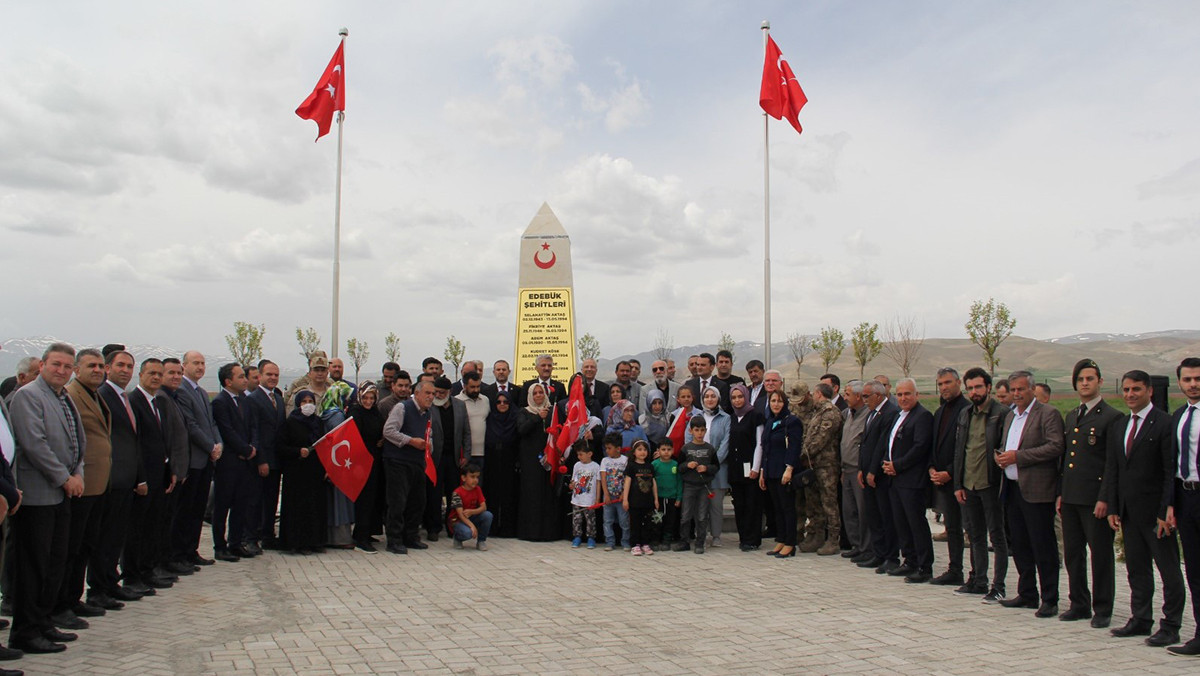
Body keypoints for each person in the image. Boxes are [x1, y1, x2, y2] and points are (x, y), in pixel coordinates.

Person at [7, 342, 85, 655]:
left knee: (55, 562)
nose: (62, 371)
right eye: (56, 365)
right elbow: (34, 444)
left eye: (67, 366)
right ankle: (25, 632)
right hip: (39, 496)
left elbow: (78, 442)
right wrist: (64, 478)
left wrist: (78, 473)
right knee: (33, 567)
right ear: (42, 364)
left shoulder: (64, 397)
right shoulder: (28, 396)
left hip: (63, 494)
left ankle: (42, 622)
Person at [1104, 370, 1185, 647]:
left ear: (1149, 391)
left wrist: (1166, 511)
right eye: (1126, 390)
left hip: (1156, 513)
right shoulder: (1121, 425)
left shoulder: (1164, 423)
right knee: (1137, 569)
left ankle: (1171, 625)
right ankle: (1140, 619)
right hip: (1128, 511)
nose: (1130, 395)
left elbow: (1168, 471)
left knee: (1169, 570)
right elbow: (1114, 468)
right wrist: (1114, 505)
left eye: (1136, 389)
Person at [995, 370, 1065, 618]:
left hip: (1037, 491)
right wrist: (1003, 456)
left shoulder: (1048, 413)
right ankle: (1027, 593)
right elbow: (1009, 446)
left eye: (1021, 389)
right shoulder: (1010, 416)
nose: (1016, 394)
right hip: (1012, 488)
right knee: (1021, 544)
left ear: (1032, 390)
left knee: (1042, 546)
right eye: (1013, 390)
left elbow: (1055, 446)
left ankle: (1050, 598)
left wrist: (1019, 457)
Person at [1059, 359, 1122, 627]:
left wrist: (1105, 498)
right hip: (1072, 496)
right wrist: (1061, 493)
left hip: (1095, 499)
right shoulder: (1072, 415)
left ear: (1100, 382)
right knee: (1073, 553)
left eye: (1090, 379)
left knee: (1101, 555)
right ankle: (1079, 603)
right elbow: (1066, 460)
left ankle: (1103, 608)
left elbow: (1112, 463)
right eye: (1081, 379)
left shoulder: (1112, 417)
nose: (1085, 383)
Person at [60, 349, 116, 617]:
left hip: (98, 483)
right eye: (91, 365)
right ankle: (62, 603)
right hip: (82, 482)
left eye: (100, 365)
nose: (97, 370)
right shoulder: (72, 395)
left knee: (86, 545)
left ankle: (73, 599)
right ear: (76, 369)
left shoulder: (94, 395)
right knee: (72, 548)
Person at [952, 368, 1010, 603]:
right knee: (975, 535)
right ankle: (978, 580)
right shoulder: (966, 414)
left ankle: (998, 585)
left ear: (988, 387)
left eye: (978, 387)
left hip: (991, 483)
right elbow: (960, 451)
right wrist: (958, 483)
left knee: (997, 536)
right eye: (970, 388)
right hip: (969, 483)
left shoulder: (1002, 414)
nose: (974, 392)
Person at [169, 350, 220, 570]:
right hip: (193, 459)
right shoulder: (181, 390)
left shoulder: (200, 391)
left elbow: (211, 423)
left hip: (207, 458)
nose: (200, 367)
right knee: (185, 510)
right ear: (184, 365)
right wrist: (210, 446)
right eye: (195, 363)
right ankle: (178, 553)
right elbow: (190, 425)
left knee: (198, 510)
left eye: (202, 363)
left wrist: (218, 445)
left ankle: (191, 550)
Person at [881, 378, 935, 583]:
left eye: (907, 394)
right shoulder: (899, 416)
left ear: (916, 395)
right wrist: (887, 462)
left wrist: (898, 465)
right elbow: (892, 442)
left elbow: (920, 448)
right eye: (900, 394)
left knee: (916, 524)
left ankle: (924, 566)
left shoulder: (922, 416)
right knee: (901, 523)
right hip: (895, 479)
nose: (903, 398)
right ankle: (910, 561)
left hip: (912, 480)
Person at [381, 379, 437, 554]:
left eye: (433, 394)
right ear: (417, 393)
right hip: (397, 461)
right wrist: (410, 441)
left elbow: (429, 435)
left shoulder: (428, 413)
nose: (431, 397)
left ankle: (411, 536)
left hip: (418, 462)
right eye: (427, 393)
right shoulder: (402, 408)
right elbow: (388, 431)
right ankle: (394, 540)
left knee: (417, 501)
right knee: (397, 502)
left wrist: (429, 446)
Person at [1168, 357, 1200, 656]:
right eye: (1188, 379)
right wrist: (1171, 504)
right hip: (1186, 498)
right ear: (1179, 382)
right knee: (1194, 568)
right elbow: (1172, 465)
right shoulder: (1178, 416)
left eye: (1198, 379)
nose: (1193, 384)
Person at [928, 368, 972, 585]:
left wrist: (950, 472)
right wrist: (932, 468)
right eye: (940, 384)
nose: (944, 387)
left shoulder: (967, 410)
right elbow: (934, 444)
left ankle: (977, 575)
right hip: (942, 478)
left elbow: (965, 449)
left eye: (947, 382)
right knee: (952, 527)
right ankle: (955, 569)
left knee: (971, 529)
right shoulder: (940, 412)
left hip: (962, 480)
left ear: (959, 382)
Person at [856, 380, 901, 573]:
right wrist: (861, 469)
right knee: (873, 515)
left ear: (878, 395)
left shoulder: (889, 413)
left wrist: (873, 470)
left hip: (880, 476)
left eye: (867, 396)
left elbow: (882, 445)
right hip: (866, 473)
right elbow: (864, 444)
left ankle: (890, 556)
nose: (863, 400)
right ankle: (878, 553)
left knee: (885, 516)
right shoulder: (871, 413)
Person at [277, 391, 328, 554]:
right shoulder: (290, 423)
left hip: (315, 472)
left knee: (315, 507)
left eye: (310, 401)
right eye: (304, 401)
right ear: (298, 404)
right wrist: (298, 451)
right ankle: (298, 543)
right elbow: (281, 447)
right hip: (296, 472)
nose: (308, 404)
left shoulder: (318, 422)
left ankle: (315, 541)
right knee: (298, 508)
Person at [798, 383, 843, 556]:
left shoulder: (831, 412)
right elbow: (807, 434)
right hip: (812, 465)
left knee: (829, 502)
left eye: (814, 393)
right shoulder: (816, 412)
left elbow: (820, 439)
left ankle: (833, 539)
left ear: (819, 393)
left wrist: (803, 454)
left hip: (826, 465)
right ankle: (815, 535)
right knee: (813, 501)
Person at [515, 383, 560, 542]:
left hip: (548, 458)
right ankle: (531, 532)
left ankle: (548, 532)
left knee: (547, 493)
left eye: (541, 392)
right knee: (532, 494)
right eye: (535, 393)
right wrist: (537, 418)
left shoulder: (552, 412)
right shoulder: (525, 411)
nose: (539, 395)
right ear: (530, 396)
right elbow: (521, 430)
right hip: (530, 460)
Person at [759, 391, 801, 558]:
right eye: (773, 401)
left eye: (779, 401)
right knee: (777, 508)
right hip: (771, 471)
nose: (776, 404)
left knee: (787, 508)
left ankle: (791, 543)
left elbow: (794, 447)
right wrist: (763, 470)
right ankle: (781, 539)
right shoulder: (771, 421)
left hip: (784, 471)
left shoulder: (792, 421)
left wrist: (789, 468)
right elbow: (765, 448)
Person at [430, 376, 471, 541]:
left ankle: (451, 526)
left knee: (453, 493)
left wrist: (466, 455)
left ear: (449, 392)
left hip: (454, 458)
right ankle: (433, 528)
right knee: (434, 494)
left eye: (442, 392)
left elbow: (467, 432)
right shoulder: (430, 406)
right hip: (435, 458)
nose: (438, 395)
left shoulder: (460, 406)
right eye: (436, 392)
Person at [727, 384, 765, 552]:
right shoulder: (732, 417)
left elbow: (759, 443)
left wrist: (756, 467)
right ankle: (743, 538)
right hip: (735, 468)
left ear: (746, 397)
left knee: (752, 504)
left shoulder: (755, 416)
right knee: (740, 504)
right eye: (734, 397)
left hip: (750, 469)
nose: (737, 400)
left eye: (740, 397)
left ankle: (753, 539)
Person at [349, 383, 385, 553]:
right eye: (365, 398)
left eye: (372, 398)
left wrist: (381, 440)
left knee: (373, 498)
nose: (368, 401)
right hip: (361, 461)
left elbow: (380, 430)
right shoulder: (355, 412)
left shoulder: (376, 412)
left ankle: (367, 531)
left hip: (375, 458)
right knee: (364, 499)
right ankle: (360, 538)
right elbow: (354, 436)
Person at [840, 381, 872, 562]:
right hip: (846, 469)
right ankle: (856, 545)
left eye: (848, 394)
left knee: (863, 511)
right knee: (849, 510)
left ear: (858, 396)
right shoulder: (847, 415)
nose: (845, 397)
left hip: (859, 471)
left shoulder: (867, 416)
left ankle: (867, 548)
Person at [679, 417, 719, 555]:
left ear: (705, 430)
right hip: (689, 486)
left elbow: (716, 466)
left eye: (702, 430)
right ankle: (684, 541)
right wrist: (687, 465)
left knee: (702, 515)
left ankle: (700, 542)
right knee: (685, 515)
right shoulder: (685, 448)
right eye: (696, 430)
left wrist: (706, 468)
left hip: (704, 487)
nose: (699, 433)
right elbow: (679, 467)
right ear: (691, 431)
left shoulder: (710, 449)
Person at [482, 391, 519, 537]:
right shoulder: (490, 419)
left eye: (505, 402)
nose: (502, 404)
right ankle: (491, 527)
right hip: (492, 460)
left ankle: (507, 528)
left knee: (508, 495)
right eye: (499, 402)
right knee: (492, 494)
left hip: (509, 461)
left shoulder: (514, 418)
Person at [698, 386, 731, 548]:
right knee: (701, 504)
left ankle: (716, 535)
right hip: (698, 469)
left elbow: (726, 443)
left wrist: (712, 464)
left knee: (716, 504)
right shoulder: (696, 416)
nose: (709, 399)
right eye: (706, 396)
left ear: (718, 398)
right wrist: (699, 463)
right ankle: (702, 535)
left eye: (713, 396)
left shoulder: (725, 418)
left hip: (718, 469)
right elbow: (689, 439)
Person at [622, 440, 659, 556]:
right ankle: (635, 545)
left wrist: (656, 499)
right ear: (634, 452)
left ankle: (645, 544)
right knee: (635, 524)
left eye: (645, 449)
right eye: (639, 449)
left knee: (647, 524)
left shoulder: (650, 466)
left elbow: (653, 483)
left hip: (647, 501)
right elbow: (627, 482)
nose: (642, 452)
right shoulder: (631, 466)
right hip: (634, 502)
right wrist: (625, 499)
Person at [448, 463, 491, 550]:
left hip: (471, 517)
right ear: (463, 478)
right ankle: (457, 538)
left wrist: (472, 512)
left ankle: (481, 541)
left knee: (488, 515)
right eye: (472, 477)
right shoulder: (457, 493)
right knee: (467, 533)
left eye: (477, 477)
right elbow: (460, 515)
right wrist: (472, 526)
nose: (475, 480)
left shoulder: (477, 489)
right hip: (458, 521)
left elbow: (484, 507)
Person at [600, 433, 630, 552]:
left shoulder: (625, 460)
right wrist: (606, 494)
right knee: (608, 520)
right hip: (609, 496)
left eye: (609, 448)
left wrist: (624, 493)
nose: (607, 451)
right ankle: (610, 541)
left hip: (621, 497)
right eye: (606, 448)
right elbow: (603, 478)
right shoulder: (604, 461)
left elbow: (627, 478)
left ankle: (625, 542)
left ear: (618, 449)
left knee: (624, 521)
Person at [568, 442, 601, 549]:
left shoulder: (596, 466)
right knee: (576, 519)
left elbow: (598, 483)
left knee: (590, 520)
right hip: (577, 498)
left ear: (590, 454)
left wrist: (597, 499)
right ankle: (577, 537)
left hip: (590, 499)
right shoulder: (577, 465)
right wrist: (571, 485)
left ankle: (591, 538)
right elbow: (573, 480)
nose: (579, 457)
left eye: (581, 454)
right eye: (578, 455)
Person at [652, 440, 681, 549]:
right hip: (658, 498)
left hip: (672, 498)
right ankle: (655, 540)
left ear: (673, 451)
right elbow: (651, 481)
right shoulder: (654, 464)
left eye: (669, 450)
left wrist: (679, 497)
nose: (666, 452)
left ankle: (666, 540)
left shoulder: (675, 465)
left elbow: (679, 482)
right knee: (657, 519)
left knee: (670, 520)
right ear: (658, 451)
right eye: (663, 449)